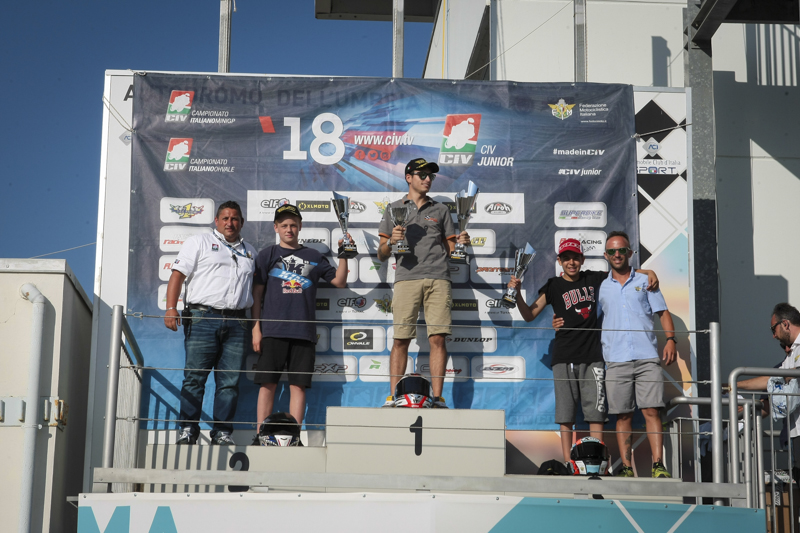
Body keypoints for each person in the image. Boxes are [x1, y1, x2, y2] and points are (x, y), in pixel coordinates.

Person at [508, 238, 658, 464]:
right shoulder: (553, 285)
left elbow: (622, 272)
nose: (571, 262)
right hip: (564, 357)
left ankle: (596, 460)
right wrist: (517, 293)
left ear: (582, 259)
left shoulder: (594, 278)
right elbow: (529, 315)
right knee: (565, 414)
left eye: (575, 258)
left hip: (593, 356)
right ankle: (568, 462)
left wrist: (648, 272)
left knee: (596, 413)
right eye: (566, 258)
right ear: (559, 261)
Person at [377, 158, 470, 408]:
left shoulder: (440, 210)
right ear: (409, 177)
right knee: (400, 339)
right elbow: (381, 254)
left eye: (431, 176)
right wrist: (392, 241)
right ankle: (393, 397)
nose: (428, 179)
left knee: (438, 339)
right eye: (422, 175)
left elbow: (452, 250)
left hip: (439, 279)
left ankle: (438, 398)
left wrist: (462, 243)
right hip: (406, 279)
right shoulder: (393, 208)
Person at [164, 201, 257, 445]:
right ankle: (188, 430)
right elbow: (177, 276)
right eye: (225, 218)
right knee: (194, 379)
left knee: (229, 383)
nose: (230, 223)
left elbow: (256, 292)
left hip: (238, 322)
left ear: (242, 222)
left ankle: (222, 433)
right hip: (203, 318)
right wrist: (171, 308)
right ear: (216, 221)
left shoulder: (250, 252)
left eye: (235, 219)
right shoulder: (199, 242)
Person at [251, 204, 349, 432]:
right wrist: (256, 328)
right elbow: (256, 294)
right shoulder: (267, 255)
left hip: (303, 333)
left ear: (300, 227)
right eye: (284, 225)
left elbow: (339, 282)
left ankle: (294, 436)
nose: (289, 229)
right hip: (273, 332)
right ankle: (260, 435)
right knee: (267, 385)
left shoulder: (313, 256)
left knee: (298, 386)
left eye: (293, 225)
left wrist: (344, 254)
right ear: (276, 227)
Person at [594, 231, 676, 478]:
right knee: (623, 415)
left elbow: (663, 312)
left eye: (622, 250)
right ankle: (627, 468)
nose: (617, 254)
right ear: (605, 255)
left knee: (652, 411)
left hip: (646, 356)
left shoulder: (646, 281)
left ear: (630, 252)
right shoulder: (600, 285)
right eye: (612, 251)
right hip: (616, 359)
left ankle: (658, 465)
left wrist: (671, 339)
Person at [735, 304, 800, 436]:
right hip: (795, 431)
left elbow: (786, 376)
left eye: (773, 329)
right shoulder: (792, 353)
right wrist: (733, 385)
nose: (774, 336)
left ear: (785, 324)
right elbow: (771, 379)